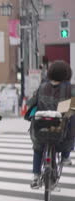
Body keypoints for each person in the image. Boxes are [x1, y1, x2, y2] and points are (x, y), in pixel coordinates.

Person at [28, 60, 74, 189]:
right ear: (67, 74)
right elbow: (72, 108)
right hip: (60, 126)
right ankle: (65, 156)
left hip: (41, 125)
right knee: (71, 114)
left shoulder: (42, 86)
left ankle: (36, 176)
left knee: (38, 149)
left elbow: (31, 103)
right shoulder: (70, 88)